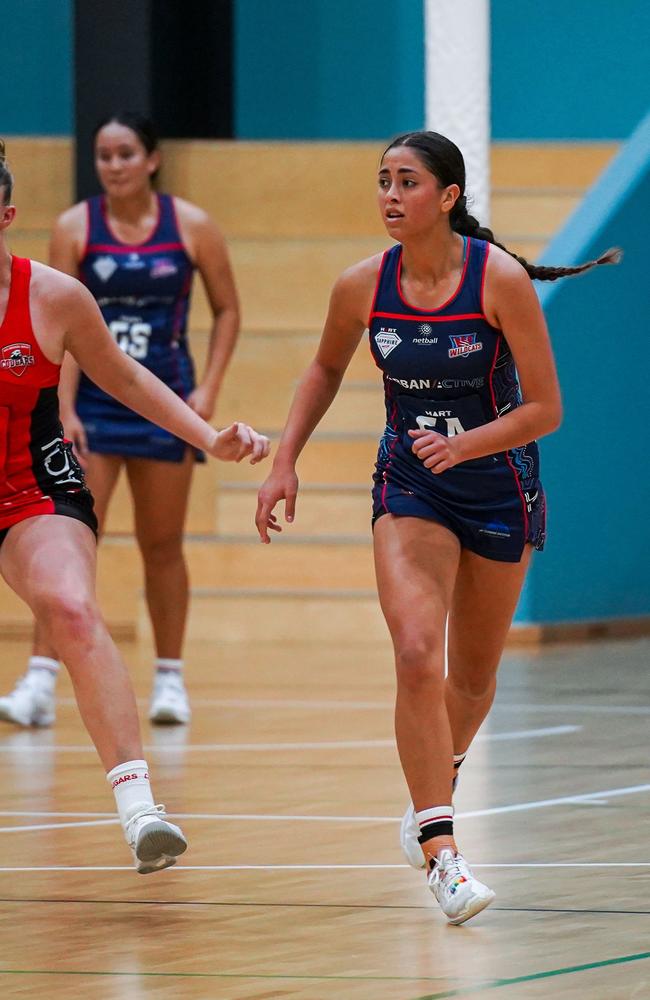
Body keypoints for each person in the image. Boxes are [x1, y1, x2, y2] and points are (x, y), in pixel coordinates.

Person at [255, 131, 620, 924]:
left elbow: (545, 410)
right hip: (411, 484)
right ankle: (442, 852)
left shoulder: (499, 282)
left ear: (448, 197)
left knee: (472, 678)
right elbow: (322, 368)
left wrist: (466, 444)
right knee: (416, 650)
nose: (390, 195)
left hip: (497, 487)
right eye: (383, 181)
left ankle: (435, 781)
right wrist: (284, 460)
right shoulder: (362, 285)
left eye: (408, 182)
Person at [0, 140, 270, 871]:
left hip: (32, 489)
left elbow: (128, 380)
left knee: (74, 608)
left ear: (8, 216)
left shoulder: (52, 295)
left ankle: (140, 811)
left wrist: (209, 435)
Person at [0, 112, 240, 728]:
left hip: (160, 392)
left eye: (125, 154)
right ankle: (39, 679)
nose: (113, 166)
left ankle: (169, 678)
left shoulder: (191, 226)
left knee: (163, 544)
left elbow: (227, 309)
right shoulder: (75, 227)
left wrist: (206, 392)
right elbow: (57, 331)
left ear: (152, 159)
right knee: (66, 539)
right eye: (103, 156)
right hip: (94, 408)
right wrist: (68, 408)